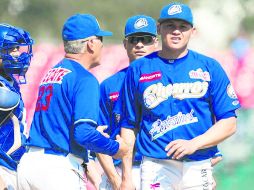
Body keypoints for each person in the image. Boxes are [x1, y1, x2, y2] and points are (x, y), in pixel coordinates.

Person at [120, 2, 240, 190]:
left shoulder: (209, 67)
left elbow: (229, 122)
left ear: (193, 31)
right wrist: (126, 177)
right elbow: (128, 125)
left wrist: (195, 143)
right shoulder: (139, 69)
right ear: (159, 28)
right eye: (170, 26)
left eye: (182, 27)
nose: (176, 31)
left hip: (197, 162)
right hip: (155, 163)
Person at [17, 13, 128, 190]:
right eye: (100, 39)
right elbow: (83, 134)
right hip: (56, 169)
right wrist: (116, 148)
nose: (102, 44)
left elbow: (62, 122)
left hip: (29, 165)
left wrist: (94, 133)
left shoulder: (52, 72)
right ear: (91, 43)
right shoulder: (85, 79)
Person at [93, 15, 159, 190]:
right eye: (133, 40)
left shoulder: (169, 80)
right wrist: (116, 180)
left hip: (161, 168)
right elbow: (99, 137)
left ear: (156, 42)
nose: (139, 45)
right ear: (125, 44)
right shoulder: (109, 85)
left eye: (145, 39)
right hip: (119, 169)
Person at [0, 23, 34, 189]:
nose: (18, 54)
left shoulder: (11, 83)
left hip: (15, 168)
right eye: (12, 49)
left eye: (17, 49)